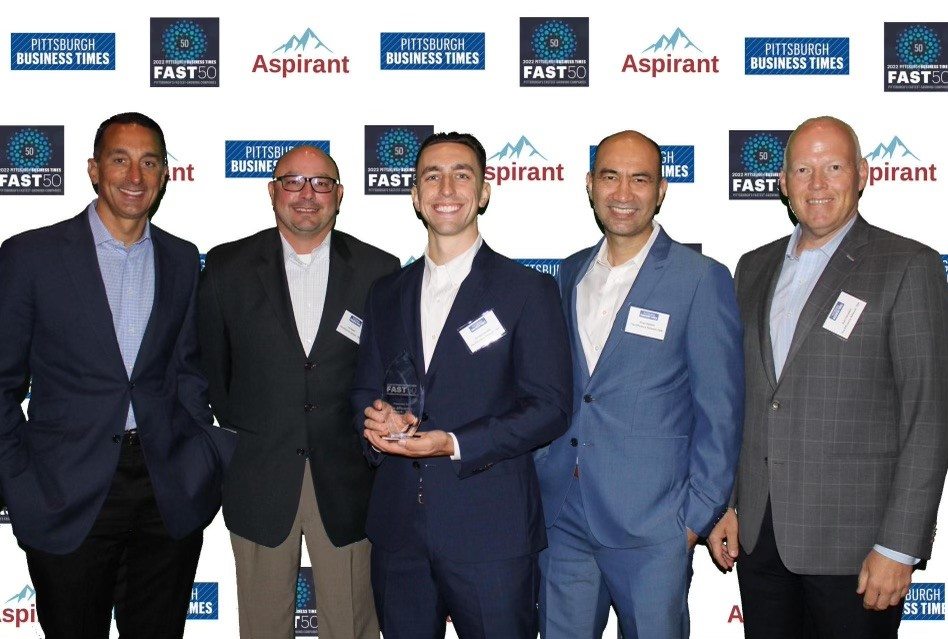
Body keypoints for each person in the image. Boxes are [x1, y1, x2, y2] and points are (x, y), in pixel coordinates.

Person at [707, 115, 948, 638]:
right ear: (782, 183)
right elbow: (741, 399)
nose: (817, 184)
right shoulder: (752, 267)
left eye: (833, 167)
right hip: (761, 541)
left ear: (862, 174)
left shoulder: (908, 265)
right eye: (802, 169)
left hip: (857, 549)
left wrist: (899, 545)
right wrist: (726, 504)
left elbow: (927, 416)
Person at [0, 112, 234, 639]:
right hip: (64, 489)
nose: (135, 176)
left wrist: (199, 458)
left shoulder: (180, 259)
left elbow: (187, 370)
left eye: (149, 162)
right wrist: (18, 482)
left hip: (166, 489)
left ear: (165, 175)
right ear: (92, 169)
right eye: (120, 159)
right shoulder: (29, 256)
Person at [351, 131, 572, 638]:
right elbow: (364, 390)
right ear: (414, 196)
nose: (446, 187)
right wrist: (377, 423)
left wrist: (454, 442)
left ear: (485, 191)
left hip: (491, 532)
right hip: (397, 530)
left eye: (462, 174)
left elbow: (551, 407)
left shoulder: (527, 291)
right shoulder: (386, 293)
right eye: (432, 175)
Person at [535, 130, 744, 638]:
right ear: (590, 185)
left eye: (639, 178)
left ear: (661, 190)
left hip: (655, 524)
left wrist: (694, 518)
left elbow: (721, 409)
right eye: (610, 176)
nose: (623, 193)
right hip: (563, 515)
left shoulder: (700, 278)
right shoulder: (568, 273)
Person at [198, 145, 399, 639]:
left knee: (352, 626)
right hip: (259, 478)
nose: (307, 195)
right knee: (263, 627)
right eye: (293, 181)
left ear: (339, 195)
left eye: (321, 183)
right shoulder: (226, 267)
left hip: (350, 481)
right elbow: (211, 373)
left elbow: (391, 372)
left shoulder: (380, 270)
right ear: (272, 192)